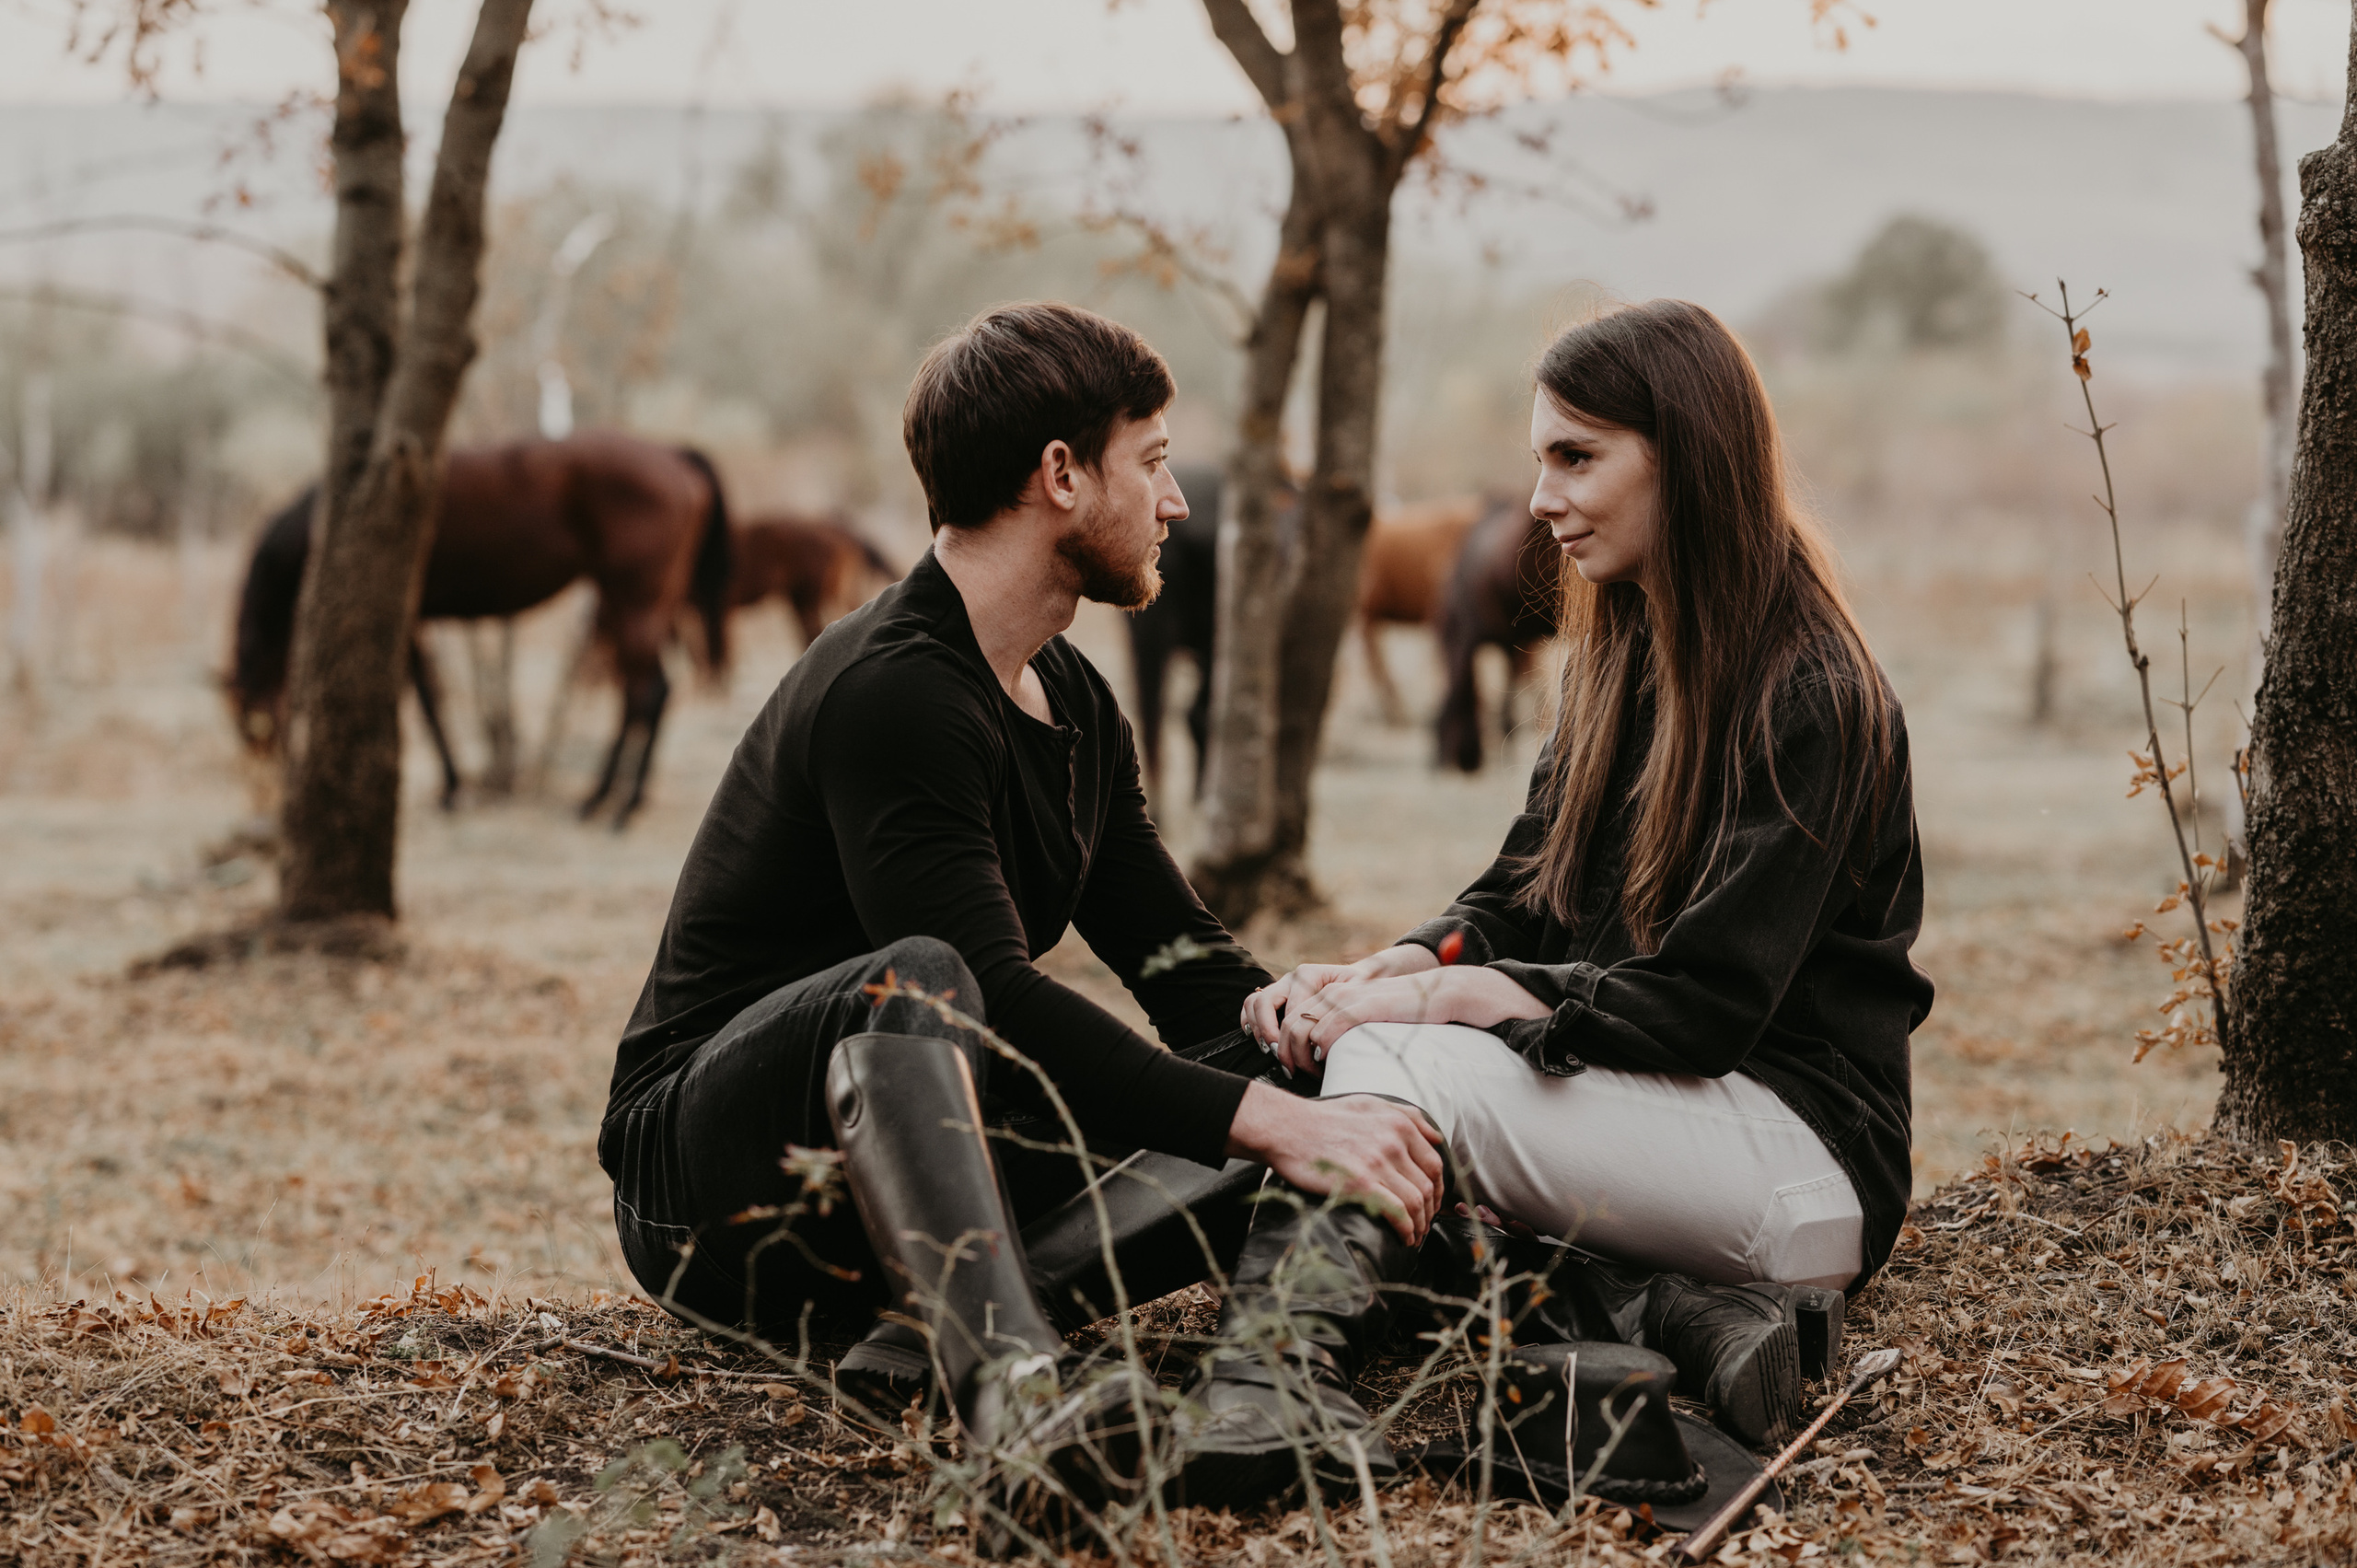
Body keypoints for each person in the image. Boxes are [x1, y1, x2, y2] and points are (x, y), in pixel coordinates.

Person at [596, 301, 1444, 1527]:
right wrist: (1270, 1123)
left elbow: (1180, 965)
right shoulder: (894, 692)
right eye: (1151, 463)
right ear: (1060, 476)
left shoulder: (1069, 697)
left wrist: (1316, 1036)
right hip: (714, 1175)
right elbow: (985, 1002)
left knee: (1329, 1088)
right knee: (927, 978)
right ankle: (1017, 1399)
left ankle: (934, 1329)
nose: (1177, 503)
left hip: (929, 1170)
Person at [1172, 298, 1932, 1503]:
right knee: (1336, 1062)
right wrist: (1381, 970)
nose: (1538, 498)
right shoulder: (1618, 658)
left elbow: (1703, 1009)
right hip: (1660, 1122)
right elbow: (1522, 894)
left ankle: (1271, 1387)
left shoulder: (1814, 694)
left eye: (1576, 457)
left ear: (1688, 459)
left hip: (1800, 1157)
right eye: (1539, 460)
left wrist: (1455, 997)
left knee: (1397, 1075)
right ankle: (1671, 1312)